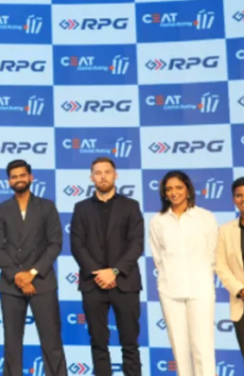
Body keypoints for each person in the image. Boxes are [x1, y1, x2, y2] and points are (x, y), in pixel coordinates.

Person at [0, 160, 66, 376]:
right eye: (14, 177)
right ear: (9, 181)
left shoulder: (47, 206)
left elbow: (55, 244)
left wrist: (31, 274)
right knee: (12, 344)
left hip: (42, 281)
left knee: (52, 342)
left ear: (31, 177)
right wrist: (18, 276)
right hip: (11, 285)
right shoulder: (1, 210)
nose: (19, 180)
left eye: (22, 175)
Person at [70, 157, 144, 376]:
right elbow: (77, 244)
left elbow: (136, 243)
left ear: (115, 175)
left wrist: (114, 271)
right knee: (98, 344)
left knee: (130, 344)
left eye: (107, 172)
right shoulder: (81, 208)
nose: (103, 176)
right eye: (98, 173)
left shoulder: (131, 206)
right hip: (93, 284)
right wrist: (99, 273)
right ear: (91, 177)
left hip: (125, 283)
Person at [149, 170, 217, 376]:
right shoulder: (158, 221)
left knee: (203, 348)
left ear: (188, 189)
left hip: (201, 290)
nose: (174, 193)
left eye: (179, 187)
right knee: (179, 349)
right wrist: (166, 280)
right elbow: (158, 257)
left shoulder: (205, 217)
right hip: (170, 290)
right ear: (164, 193)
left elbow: (213, 253)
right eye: (169, 189)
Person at [215, 177, 244, 375]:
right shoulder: (225, 230)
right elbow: (221, 266)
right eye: (239, 195)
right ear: (233, 199)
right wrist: (242, 291)